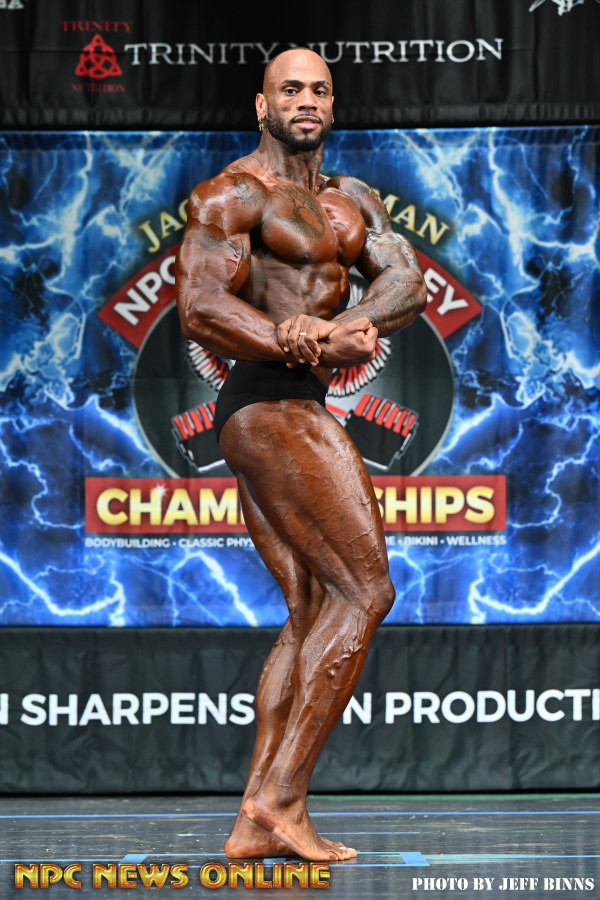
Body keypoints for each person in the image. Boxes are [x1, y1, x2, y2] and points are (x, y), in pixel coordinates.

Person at [175, 47, 426, 862]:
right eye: (290, 90)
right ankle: (282, 796)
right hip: (266, 403)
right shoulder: (234, 193)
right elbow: (199, 307)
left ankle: (254, 825)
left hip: (293, 403)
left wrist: (349, 324)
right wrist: (304, 340)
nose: (306, 100)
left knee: (314, 607)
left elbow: (405, 283)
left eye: (319, 89)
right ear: (262, 105)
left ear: (333, 104)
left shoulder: (354, 199)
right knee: (367, 591)